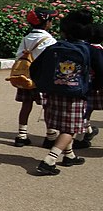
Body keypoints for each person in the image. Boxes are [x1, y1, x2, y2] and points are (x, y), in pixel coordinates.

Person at [31, 10, 103, 175]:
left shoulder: (54, 47)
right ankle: (49, 160)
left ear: (64, 31)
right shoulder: (89, 49)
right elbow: (101, 70)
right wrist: (94, 87)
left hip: (54, 92)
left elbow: (34, 68)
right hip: (76, 94)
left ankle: (69, 155)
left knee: (63, 124)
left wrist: (42, 85)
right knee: (70, 129)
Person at [11, 8, 58, 148]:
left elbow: (18, 55)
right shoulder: (49, 40)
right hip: (42, 78)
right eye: (51, 20)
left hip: (25, 77)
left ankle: (22, 135)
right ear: (46, 23)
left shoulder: (26, 39)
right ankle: (50, 136)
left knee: (26, 105)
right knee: (47, 107)